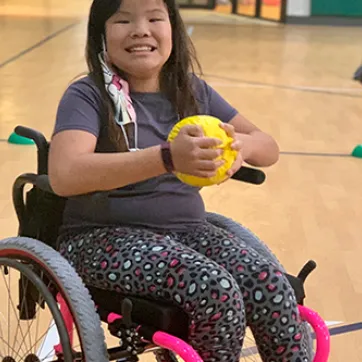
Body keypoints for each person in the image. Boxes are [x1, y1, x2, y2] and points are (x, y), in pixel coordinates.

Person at [49, 0, 311, 361]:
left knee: (270, 284)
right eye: (123, 20)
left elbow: (268, 148)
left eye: (154, 18)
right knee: (215, 289)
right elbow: (64, 175)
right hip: (101, 238)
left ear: (172, 29)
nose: (141, 29)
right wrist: (166, 158)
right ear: (101, 35)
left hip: (187, 232)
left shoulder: (191, 91)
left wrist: (241, 146)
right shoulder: (88, 95)